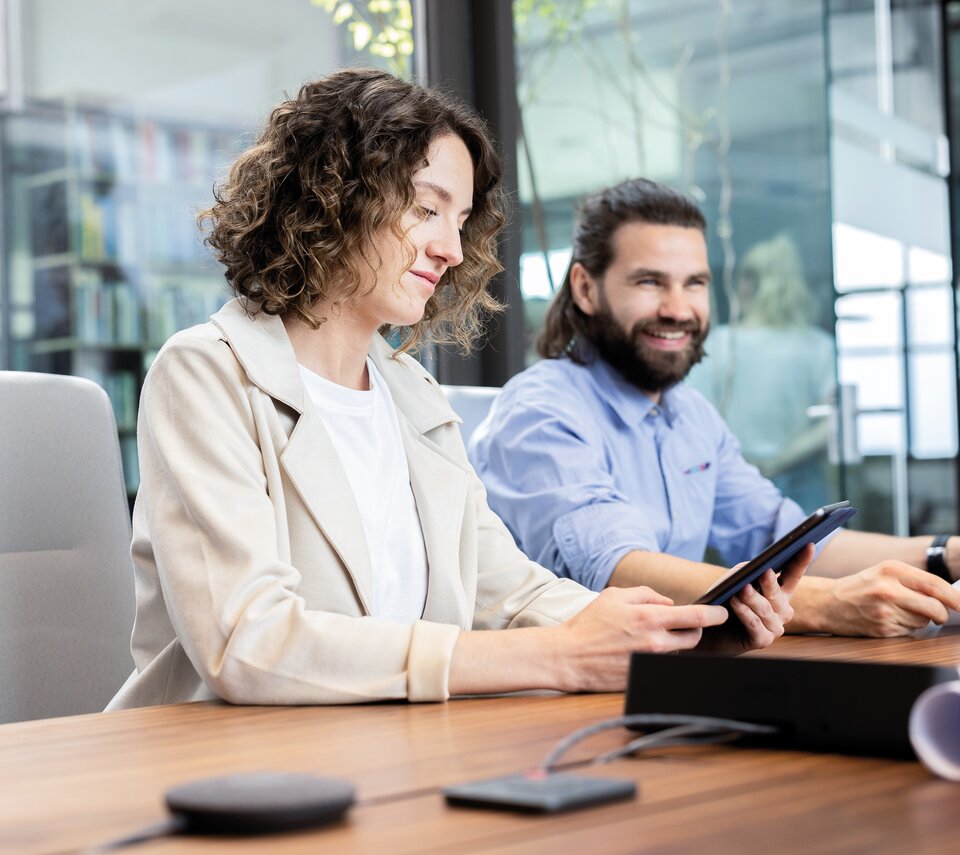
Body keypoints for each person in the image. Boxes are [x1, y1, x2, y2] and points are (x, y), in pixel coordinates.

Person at [107, 73, 803, 711]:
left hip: (383, 756)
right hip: (224, 781)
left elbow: (509, 589)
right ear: (330, 198)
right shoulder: (207, 373)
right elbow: (248, 644)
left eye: (461, 220)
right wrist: (554, 657)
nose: (452, 248)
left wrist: (676, 636)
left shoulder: (411, 393)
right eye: (425, 209)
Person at [469, 178, 960, 639]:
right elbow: (618, 571)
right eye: (649, 282)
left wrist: (944, 556)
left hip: (666, 671)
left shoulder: (692, 416)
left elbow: (789, 541)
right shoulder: (539, 411)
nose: (678, 309)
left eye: (694, 283)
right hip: (551, 699)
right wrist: (829, 603)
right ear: (585, 288)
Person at [686, 234, 835, 513]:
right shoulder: (817, 346)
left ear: (745, 285)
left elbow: (692, 417)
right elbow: (833, 423)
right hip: (781, 478)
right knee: (819, 554)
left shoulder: (717, 344)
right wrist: (779, 461)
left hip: (742, 479)